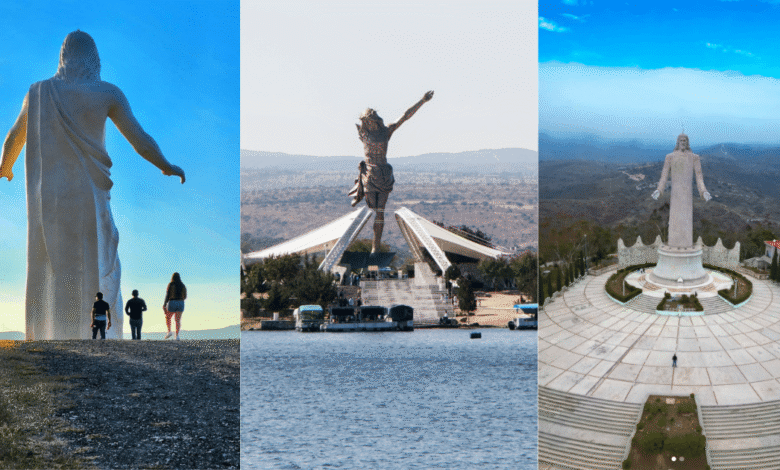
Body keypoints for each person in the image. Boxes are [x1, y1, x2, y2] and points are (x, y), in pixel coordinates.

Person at [0, 31, 185, 340]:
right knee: (93, 257)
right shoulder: (107, 92)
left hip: (48, 195)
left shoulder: (38, 92)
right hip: (87, 192)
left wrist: (5, 168)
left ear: (62, 58)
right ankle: (90, 334)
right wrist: (165, 165)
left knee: (53, 261)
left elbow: (14, 136)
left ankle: (54, 331)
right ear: (94, 61)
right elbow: (140, 140)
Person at [348, 91, 434, 253]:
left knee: (380, 211)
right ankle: (372, 240)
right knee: (372, 206)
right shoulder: (363, 133)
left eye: (371, 121)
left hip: (384, 174)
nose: (370, 123)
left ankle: (375, 246)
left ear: (375, 120)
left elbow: (404, 117)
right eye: (367, 121)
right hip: (369, 174)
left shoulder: (386, 131)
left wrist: (422, 101)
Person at [163, 272, 187, 340]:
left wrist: (164, 304)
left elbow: (167, 295)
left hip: (172, 302)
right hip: (181, 302)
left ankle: (169, 331)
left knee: (168, 317)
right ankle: (177, 336)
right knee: (178, 320)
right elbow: (185, 296)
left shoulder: (171, 284)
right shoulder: (182, 285)